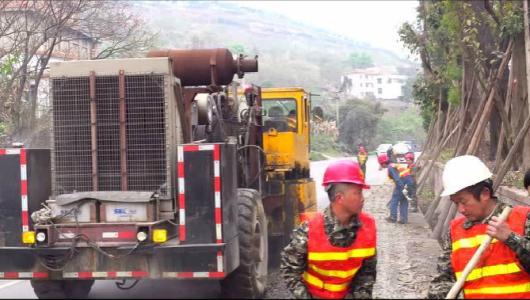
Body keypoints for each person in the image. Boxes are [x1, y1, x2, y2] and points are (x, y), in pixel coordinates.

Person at [427, 155, 530, 299]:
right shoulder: (455, 231)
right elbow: (443, 279)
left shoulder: (523, 218)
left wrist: (510, 238)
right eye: (456, 203)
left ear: (484, 194)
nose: (460, 209)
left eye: (463, 201)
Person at [280, 160, 377, 299]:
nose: (363, 199)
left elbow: (367, 272)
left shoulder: (368, 227)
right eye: (358, 193)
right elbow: (290, 270)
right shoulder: (309, 230)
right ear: (340, 198)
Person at [386, 143, 413, 224]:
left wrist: (402, 188)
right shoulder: (398, 162)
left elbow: (397, 179)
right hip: (409, 182)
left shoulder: (391, 166)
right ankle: (403, 219)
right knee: (404, 200)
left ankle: (393, 217)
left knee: (395, 199)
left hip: (402, 183)